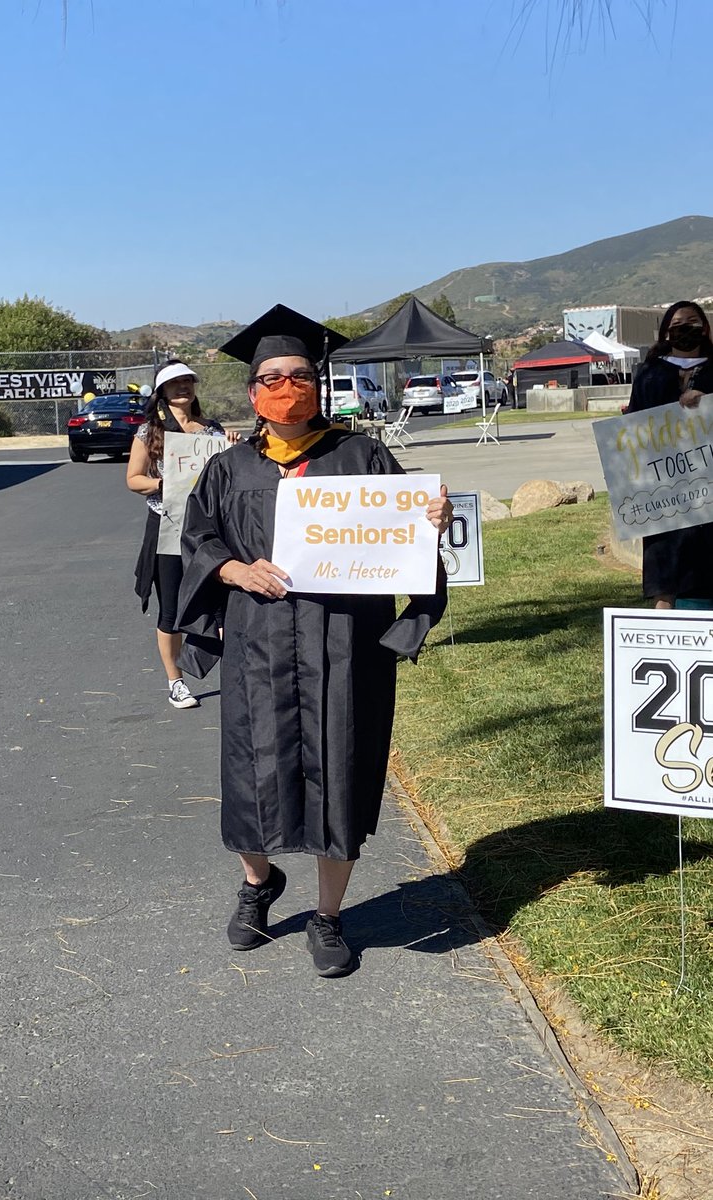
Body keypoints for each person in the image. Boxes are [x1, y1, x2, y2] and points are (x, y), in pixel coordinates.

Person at [177, 305, 452, 977]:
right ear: (251, 392)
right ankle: (257, 884)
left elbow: (404, 537)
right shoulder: (229, 468)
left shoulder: (361, 455)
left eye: (299, 374)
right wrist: (233, 568)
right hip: (258, 645)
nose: (285, 385)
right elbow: (197, 541)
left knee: (342, 770)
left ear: (318, 383)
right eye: (270, 376)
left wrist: (431, 521)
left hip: (342, 645)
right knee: (250, 772)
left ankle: (329, 915)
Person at [127, 360, 235, 709]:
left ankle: (233, 672)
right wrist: (166, 483)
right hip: (168, 529)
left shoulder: (213, 430)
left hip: (209, 529)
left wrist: (233, 446)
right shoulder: (150, 432)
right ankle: (176, 681)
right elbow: (133, 478)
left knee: (220, 604)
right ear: (162, 392)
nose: (183, 387)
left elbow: (230, 474)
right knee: (171, 610)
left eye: (188, 381)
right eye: (175, 383)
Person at [627, 300, 713, 610]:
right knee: (666, 554)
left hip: (708, 479)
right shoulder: (650, 372)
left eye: (691, 321)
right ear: (666, 332)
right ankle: (664, 623)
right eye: (676, 324)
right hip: (664, 483)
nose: (684, 328)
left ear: (704, 328)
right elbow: (636, 421)